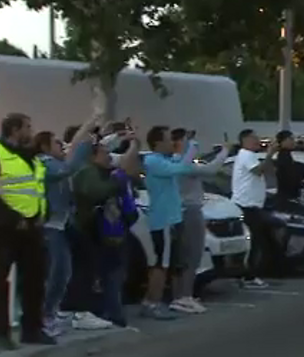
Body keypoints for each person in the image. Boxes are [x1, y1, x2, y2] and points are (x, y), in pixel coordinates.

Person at [0, 113, 55, 349]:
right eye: (27, 128)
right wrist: (14, 218)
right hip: (2, 230)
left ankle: (32, 329)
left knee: (34, 281)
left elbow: (36, 189)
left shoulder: (29, 157)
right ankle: (0, 334)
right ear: (14, 129)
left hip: (32, 228)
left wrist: (44, 213)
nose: (31, 133)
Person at [33, 114, 99, 336]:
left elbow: (73, 155)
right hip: (49, 226)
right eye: (56, 143)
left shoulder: (55, 162)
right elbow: (70, 165)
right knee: (59, 271)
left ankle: (54, 311)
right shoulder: (45, 164)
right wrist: (87, 130)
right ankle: (46, 316)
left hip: (61, 224)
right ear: (44, 147)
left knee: (68, 267)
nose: (61, 146)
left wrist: (101, 136)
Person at [72, 140, 139, 327]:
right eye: (103, 152)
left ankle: (113, 312)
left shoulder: (103, 171)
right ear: (92, 156)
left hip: (111, 232)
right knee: (106, 275)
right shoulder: (87, 173)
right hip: (95, 233)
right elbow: (96, 192)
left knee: (114, 274)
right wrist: (117, 182)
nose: (108, 155)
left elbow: (127, 163)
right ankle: (110, 314)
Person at [169, 128, 229, 314]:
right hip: (190, 210)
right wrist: (225, 151)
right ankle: (184, 296)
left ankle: (180, 295)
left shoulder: (174, 162)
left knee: (182, 256)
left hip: (182, 210)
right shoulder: (181, 162)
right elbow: (211, 170)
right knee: (192, 255)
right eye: (187, 139)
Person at [140, 125, 195, 320]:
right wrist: (191, 147)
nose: (172, 142)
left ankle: (159, 300)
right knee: (160, 264)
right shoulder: (153, 161)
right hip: (163, 220)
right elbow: (181, 167)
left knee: (169, 263)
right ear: (157, 143)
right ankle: (151, 302)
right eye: (168, 139)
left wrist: (185, 146)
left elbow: (178, 161)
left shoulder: (163, 160)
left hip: (172, 219)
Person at [230, 129, 277, 289]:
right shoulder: (246, 155)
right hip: (246, 204)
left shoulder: (251, 156)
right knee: (255, 241)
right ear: (245, 140)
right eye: (254, 138)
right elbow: (257, 171)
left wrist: (269, 157)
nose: (257, 141)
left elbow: (268, 171)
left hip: (254, 204)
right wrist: (269, 154)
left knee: (258, 240)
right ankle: (248, 276)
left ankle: (249, 273)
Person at [274, 130, 304, 201]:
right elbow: (290, 174)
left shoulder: (287, 155)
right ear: (283, 141)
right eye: (291, 139)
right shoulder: (284, 156)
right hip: (286, 197)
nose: (293, 141)